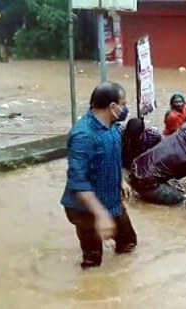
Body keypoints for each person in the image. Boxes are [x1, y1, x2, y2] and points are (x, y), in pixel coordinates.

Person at [60, 81, 137, 270]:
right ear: (113, 107)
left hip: (111, 200)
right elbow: (78, 183)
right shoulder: (83, 136)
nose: (126, 108)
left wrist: (120, 179)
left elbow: (112, 157)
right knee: (93, 262)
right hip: (86, 210)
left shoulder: (112, 126)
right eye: (124, 104)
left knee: (128, 244)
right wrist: (101, 215)